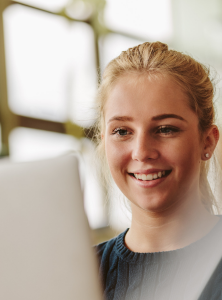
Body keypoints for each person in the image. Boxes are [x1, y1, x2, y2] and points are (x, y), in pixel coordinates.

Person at [94, 42, 222, 300]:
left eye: (165, 129)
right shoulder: (80, 275)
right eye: (122, 131)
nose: (141, 152)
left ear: (207, 141)